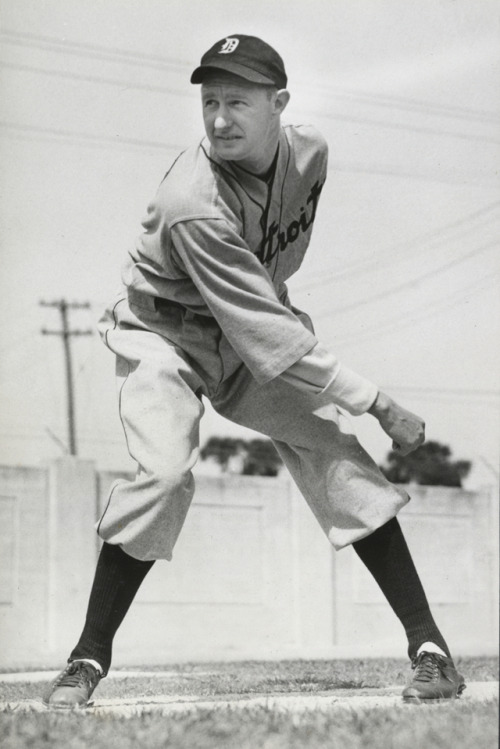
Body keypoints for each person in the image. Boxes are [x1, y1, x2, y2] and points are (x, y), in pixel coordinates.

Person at [43, 34, 465, 708]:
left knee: (332, 449)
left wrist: (296, 344)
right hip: (165, 334)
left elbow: (271, 286)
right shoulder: (192, 199)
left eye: (236, 101)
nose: (218, 119)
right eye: (209, 102)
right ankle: (87, 657)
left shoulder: (312, 154)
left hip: (245, 331)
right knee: (163, 473)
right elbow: (262, 326)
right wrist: (378, 401)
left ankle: (430, 648)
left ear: (280, 104)